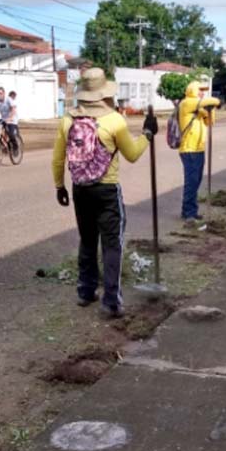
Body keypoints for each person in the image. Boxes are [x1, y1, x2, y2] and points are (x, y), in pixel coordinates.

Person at [51, 67, 156, 318]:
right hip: (106, 190)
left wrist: (59, 186)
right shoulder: (114, 121)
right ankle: (111, 301)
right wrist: (148, 134)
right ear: (104, 94)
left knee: (87, 240)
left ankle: (86, 292)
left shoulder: (67, 121)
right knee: (112, 245)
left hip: (80, 190)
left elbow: (57, 159)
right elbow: (132, 154)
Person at [177, 80, 221, 221]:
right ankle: (188, 212)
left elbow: (210, 122)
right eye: (200, 90)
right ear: (193, 90)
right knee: (191, 181)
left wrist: (211, 110)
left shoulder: (199, 108)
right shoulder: (186, 103)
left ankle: (191, 210)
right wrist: (215, 102)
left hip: (199, 149)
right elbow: (212, 100)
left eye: (203, 90)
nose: (202, 92)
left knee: (196, 181)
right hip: (189, 149)